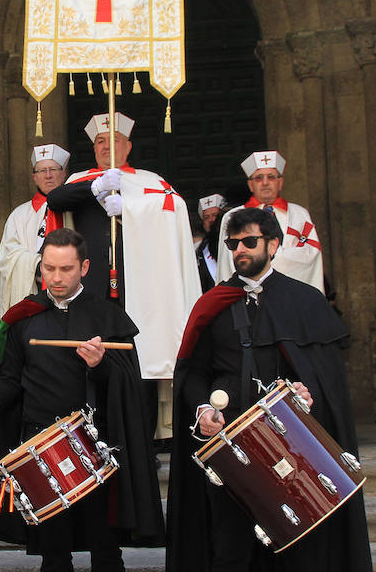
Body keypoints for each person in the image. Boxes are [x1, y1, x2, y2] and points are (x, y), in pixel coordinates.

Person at [167, 207, 375, 572]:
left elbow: (327, 379)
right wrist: (201, 409)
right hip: (229, 450)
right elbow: (193, 371)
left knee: (305, 545)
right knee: (229, 548)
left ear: (274, 245)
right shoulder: (212, 306)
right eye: (233, 242)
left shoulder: (304, 302)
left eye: (250, 241)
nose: (241, 249)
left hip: (291, 452)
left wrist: (310, 398)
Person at [0, 228, 162, 572]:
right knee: (53, 556)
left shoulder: (108, 315)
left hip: (94, 451)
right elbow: (10, 380)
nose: (55, 277)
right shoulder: (23, 320)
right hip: (41, 451)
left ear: (85, 268)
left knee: (105, 554)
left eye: (65, 269)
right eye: (48, 269)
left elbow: (132, 386)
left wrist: (100, 364)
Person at [44, 112, 199, 382]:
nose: (107, 146)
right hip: (92, 281)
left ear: (128, 146)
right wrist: (96, 186)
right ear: (94, 148)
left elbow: (175, 208)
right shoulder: (82, 179)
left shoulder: (150, 181)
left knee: (137, 353)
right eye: (100, 141)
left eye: (114, 140)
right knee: (91, 354)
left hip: (140, 282)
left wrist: (130, 208)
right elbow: (56, 199)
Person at [214, 151, 323, 292]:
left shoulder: (299, 214)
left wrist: (267, 264)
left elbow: (311, 253)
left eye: (271, 177)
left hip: (292, 292)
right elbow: (228, 260)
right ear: (250, 185)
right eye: (259, 178)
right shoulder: (232, 216)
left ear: (280, 182)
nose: (265, 183)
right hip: (248, 292)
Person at [0, 143, 69, 315]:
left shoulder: (75, 210)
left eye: (54, 169)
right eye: (42, 171)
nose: (48, 175)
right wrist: (38, 264)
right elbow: (8, 256)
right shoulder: (19, 215)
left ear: (64, 174)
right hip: (35, 292)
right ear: (34, 177)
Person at [196, 194, 226, 292]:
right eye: (206, 217)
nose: (211, 220)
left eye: (215, 215)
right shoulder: (199, 249)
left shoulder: (235, 242)